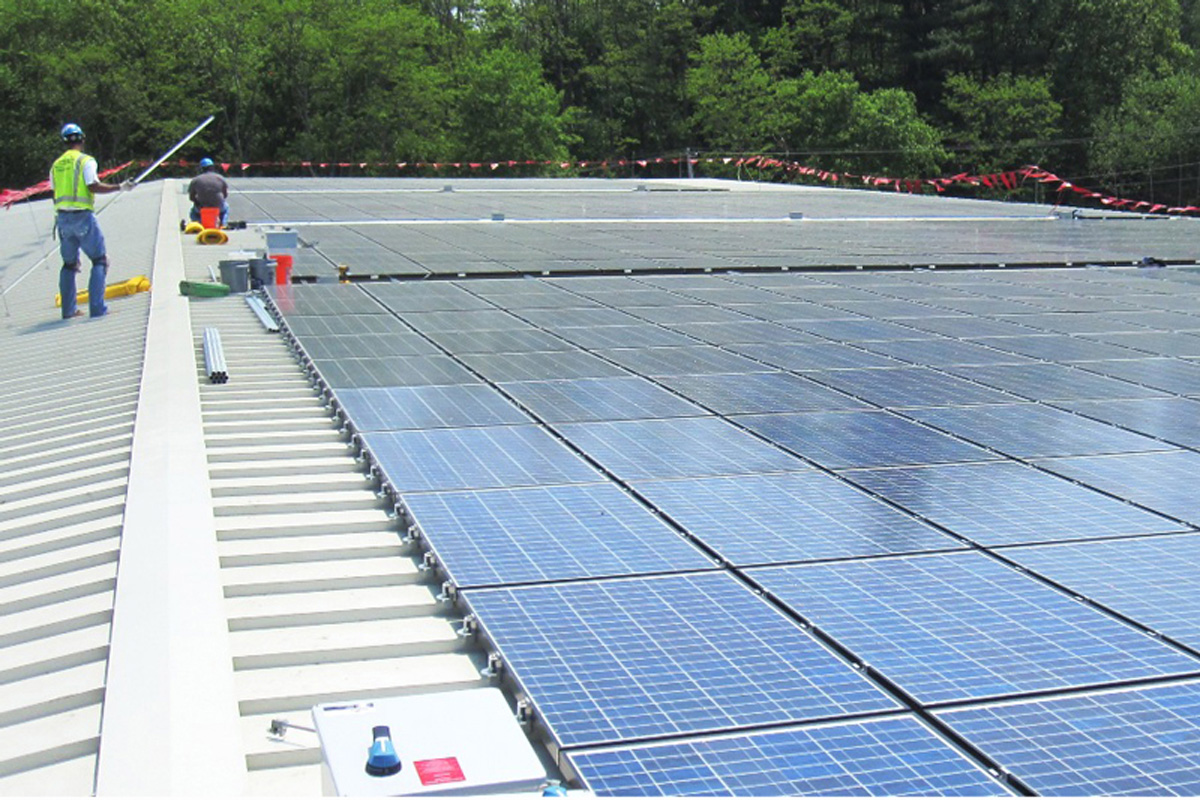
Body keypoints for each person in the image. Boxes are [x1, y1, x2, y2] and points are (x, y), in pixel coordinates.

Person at [52, 123, 133, 319]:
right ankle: (97, 309)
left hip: (62, 219)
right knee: (99, 260)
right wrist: (120, 187)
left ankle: (68, 311)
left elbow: (54, 193)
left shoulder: (56, 165)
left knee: (69, 265)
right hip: (82, 217)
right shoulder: (85, 161)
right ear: (82, 139)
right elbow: (93, 186)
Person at [188, 157, 229, 227]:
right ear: (212, 167)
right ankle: (223, 223)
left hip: (202, 207)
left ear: (201, 169)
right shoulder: (220, 178)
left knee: (193, 212)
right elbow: (225, 195)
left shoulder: (195, 180)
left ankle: (197, 223)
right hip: (218, 206)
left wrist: (197, 202)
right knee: (226, 208)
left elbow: (191, 197)